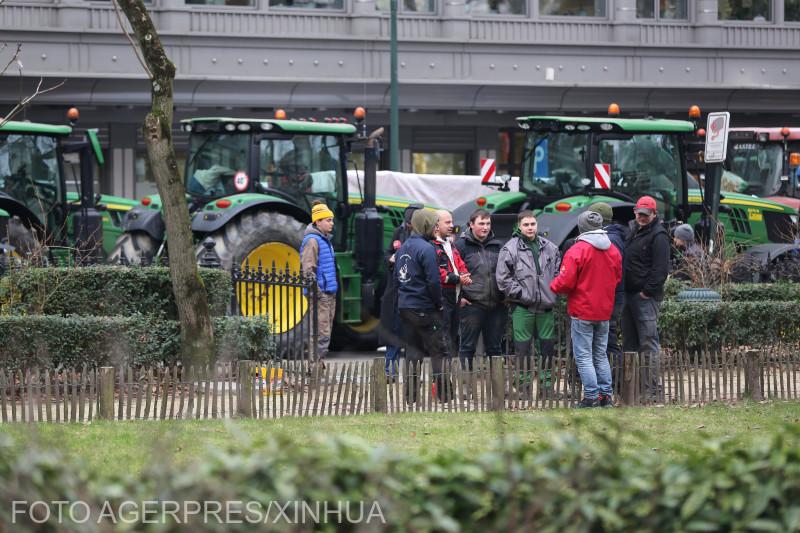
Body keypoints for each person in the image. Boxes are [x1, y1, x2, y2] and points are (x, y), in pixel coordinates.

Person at [551, 211, 622, 408]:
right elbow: (617, 279)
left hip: (582, 310)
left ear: (581, 227)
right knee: (600, 354)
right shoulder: (613, 250)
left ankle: (591, 397)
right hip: (604, 311)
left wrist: (552, 285)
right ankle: (606, 396)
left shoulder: (577, 250)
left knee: (583, 356)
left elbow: (565, 283)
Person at [496, 210, 561, 398]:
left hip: (546, 307)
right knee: (522, 348)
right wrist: (523, 295)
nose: (530, 228)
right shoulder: (509, 249)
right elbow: (503, 280)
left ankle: (546, 387)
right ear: (518, 226)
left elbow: (558, 273)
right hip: (522, 307)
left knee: (547, 348)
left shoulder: (550, 247)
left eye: (533, 224)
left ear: (537, 225)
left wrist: (551, 291)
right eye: (526, 224)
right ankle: (522, 387)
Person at [395, 209, 450, 404]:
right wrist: (439, 304)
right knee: (438, 351)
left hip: (405, 307)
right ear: (425, 224)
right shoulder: (427, 249)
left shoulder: (402, 248)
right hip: (426, 308)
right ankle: (444, 396)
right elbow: (434, 281)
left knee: (412, 352)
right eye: (434, 223)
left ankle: (410, 398)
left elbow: (397, 279)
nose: (436, 227)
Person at [622, 195, 670, 401]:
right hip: (630, 295)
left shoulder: (659, 236)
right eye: (639, 214)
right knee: (630, 344)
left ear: (654, 214)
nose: (642, 217)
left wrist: (646, 292)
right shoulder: (634, 230)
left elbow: (660, 271)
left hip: (645, 298)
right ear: (635, 212)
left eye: (645, 215)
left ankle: (651, 391)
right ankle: (634, 390)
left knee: (648, 344)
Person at [455, 209, 506, 371]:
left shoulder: (497, 245)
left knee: (495, 348)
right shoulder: (460, 246)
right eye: (481, 223)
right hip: (472, 304)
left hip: (497, 305)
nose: (485, 227)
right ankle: (465, 387)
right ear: (471, 225)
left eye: (488, 223)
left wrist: (506, 295)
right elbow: (453, 273)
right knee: (467, 347)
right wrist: (459, 297)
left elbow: (506, 272)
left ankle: (497, 389)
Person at [379, 203, 423, 380]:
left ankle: (413, 373)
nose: (408, 226)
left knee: (413, 336)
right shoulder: (399, 232)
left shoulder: (424, 238)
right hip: (397, 292)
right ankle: (390, 370)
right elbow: (388, 253)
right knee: (394, 332)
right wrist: (390, 259)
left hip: (415, 294)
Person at [588, 202, 628, 374]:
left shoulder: (608, 240)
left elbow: (610, 271)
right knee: (606, 339)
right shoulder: (617, 236)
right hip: (615, 295)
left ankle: (615, 382)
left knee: (607, 341)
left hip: (609, 296)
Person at [300, 201, 338, 367]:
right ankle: (314, 365)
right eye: (328, 220)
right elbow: (308, 269)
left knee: (325, 330)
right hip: (321, 294)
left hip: (329, 292)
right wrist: (317, 292)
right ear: (318, 221)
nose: (332, 223)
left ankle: (319, 362)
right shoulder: (313, 241)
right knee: (319, 331)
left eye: (332, 220)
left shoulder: (324, 240)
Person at [432, 209, 471, 359]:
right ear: (436, 226)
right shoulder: (432, 245)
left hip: (456, 294)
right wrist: (458, 278)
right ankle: (441, 379)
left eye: (452, 222)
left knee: (452, 336)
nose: (452, 225)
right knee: (443, 338)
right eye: (447, 222)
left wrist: (465, 275)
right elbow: (437, 272)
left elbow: (459, 263)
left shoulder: (450, 243)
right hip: (443, 295)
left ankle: (445, 377)